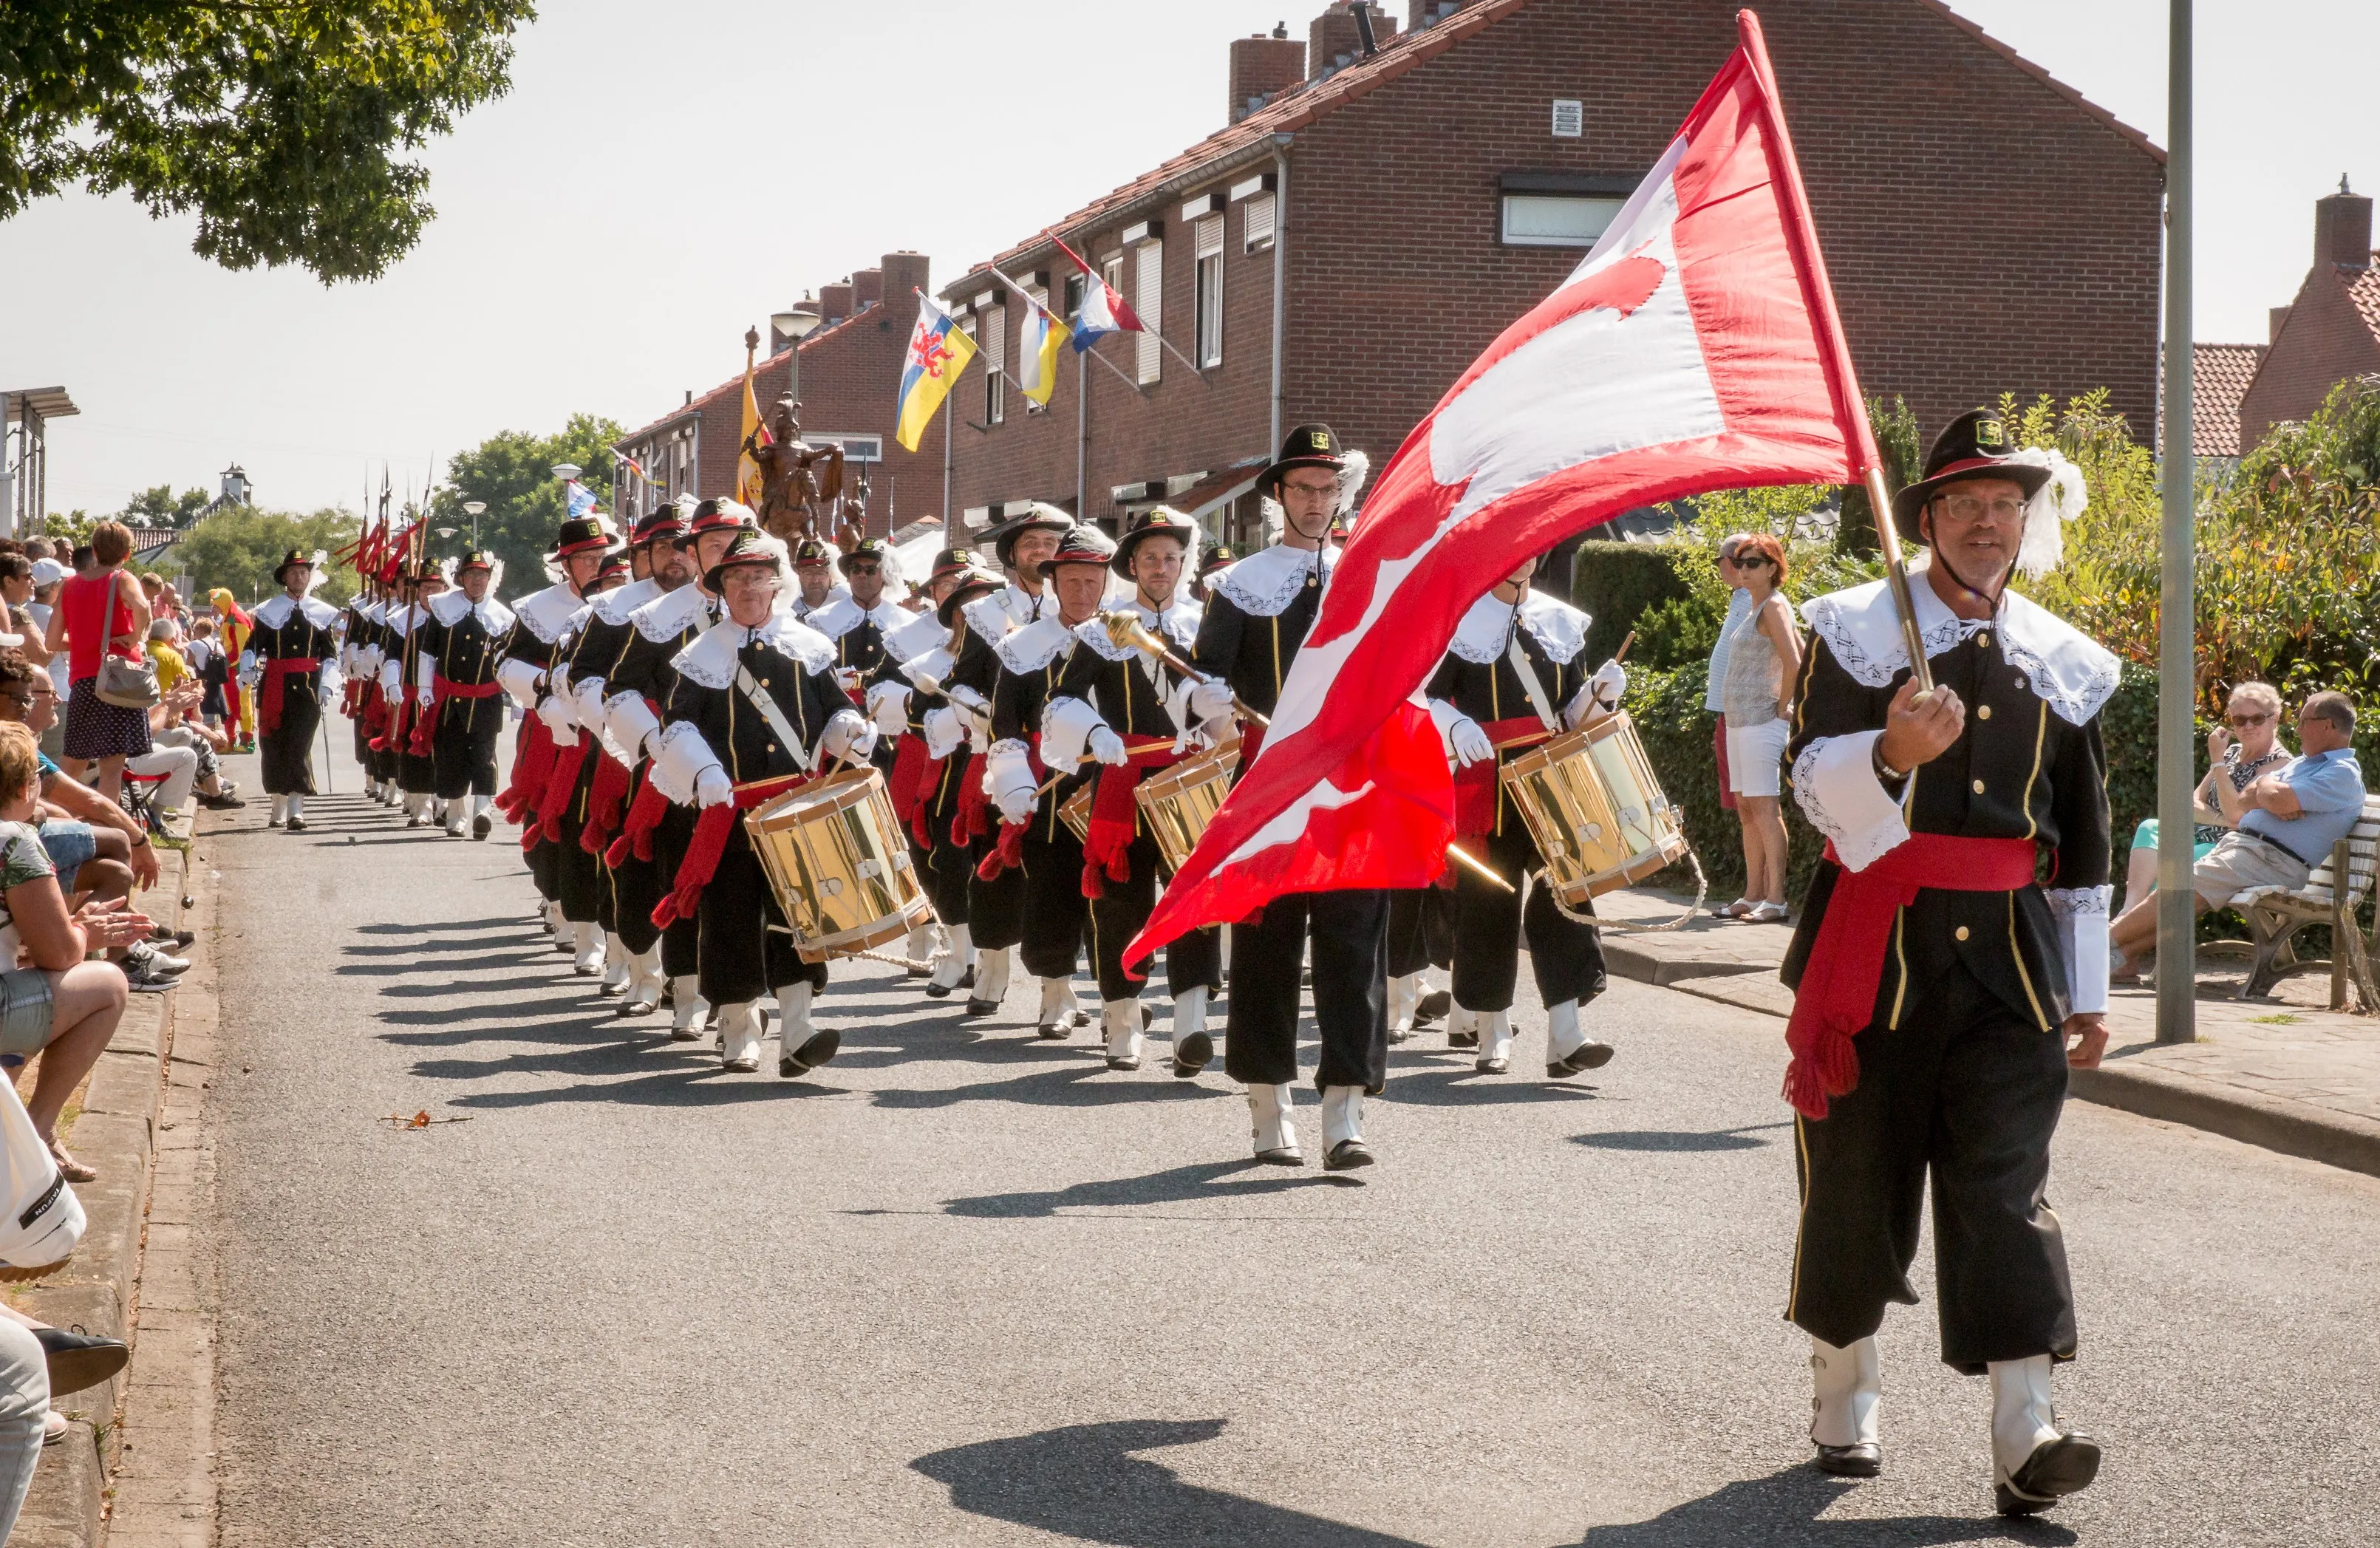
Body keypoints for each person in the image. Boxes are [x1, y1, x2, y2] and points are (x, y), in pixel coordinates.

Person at [1781, 409, 2114, 1514]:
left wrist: (2090, 989)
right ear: (1923, 518)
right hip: (1872, 952)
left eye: (2006, 505)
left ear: (2028, 520)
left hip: (2013, 966)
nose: (1987, 522)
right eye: (1966, 503)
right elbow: (1805, 780)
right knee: (1854, 1182)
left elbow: (2082, 839)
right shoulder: (1855, 631)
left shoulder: (2064, 661)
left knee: (2005, 1189)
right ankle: (1844, 1386)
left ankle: (2027, 1429)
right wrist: (1886, 750)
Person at [1191, 423, 1388, 1170]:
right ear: (1278, 495)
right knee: (1267, 948)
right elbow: (1202, 679)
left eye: (1326, 487)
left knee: (1352, 949)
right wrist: (1205, 695)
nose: (1314, 500)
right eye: (1301, 488)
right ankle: (1269, 1107)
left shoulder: (1368, 578)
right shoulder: (1238, 583)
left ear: (1342, 494)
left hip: (1351, 794)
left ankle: (1345, 1110)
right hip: (1270, 794)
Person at [649, 528, 874, 1073]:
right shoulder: (699, 657)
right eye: (736, 578)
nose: (748, 588)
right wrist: (702, 769)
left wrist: (851, 730)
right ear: (722, 588)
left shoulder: (811, 647)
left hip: (797, 805)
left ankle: (797, 1031)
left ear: (777, 584)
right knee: (730, 918)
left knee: (798, 917)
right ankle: (737, 1028)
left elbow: (837, 709)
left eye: (757, 577)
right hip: (730, 809)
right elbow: (674, 727)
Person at [1425, 551, 1623, 1077]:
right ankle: (1493, 1029)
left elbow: (1566, 712)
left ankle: (1566, 1035)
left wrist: (1598, 697)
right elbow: (1422, 697)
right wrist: (1454, 724)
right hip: (1483, 779)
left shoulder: (1558, 619)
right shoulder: (1460, 622)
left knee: (1568, 892)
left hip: (1550, 774)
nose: (1523, 558)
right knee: (1489, 901)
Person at [1042, 509, 1225, 1071]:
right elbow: (1062, 700)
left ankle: (1191, 1024)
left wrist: (1218, 708)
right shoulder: (1103, 631)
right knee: (1121, 904)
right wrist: (1095, 730)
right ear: (1133, 566)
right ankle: (1122, 1018)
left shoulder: (1206, 623)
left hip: (1189, 776)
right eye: (1150, 558)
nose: (1161, 567)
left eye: (1170, 557)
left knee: (1194, 899)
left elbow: (1226, 709)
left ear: (1181, 564)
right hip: (1123, 776)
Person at [599, 499, 742, 1032]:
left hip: (750, 777)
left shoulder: (767, 607)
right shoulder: (658, 618)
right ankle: (687, 995)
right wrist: (656, 745)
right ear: (694, 553)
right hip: (676, 773)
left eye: (733, 544)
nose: (726, 557)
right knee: (682, 883)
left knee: (743, 894)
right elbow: (619, 687)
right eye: (713, 546)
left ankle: (741, 1006)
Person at [2107, 691, 2365, 978]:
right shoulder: (2303, 765)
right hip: (2250, 850)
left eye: (2304, 721)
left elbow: (2270, 799)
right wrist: (2269, 789)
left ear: (2327, 725)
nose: (2298, 728)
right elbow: (2245, 799)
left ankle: (2091, 947)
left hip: (2271, 858)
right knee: (2190, 898)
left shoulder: (2342, 774)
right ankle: (2120, 958)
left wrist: (2269, 794)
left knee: (2181, 886)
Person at [0, 723, 150, 1182]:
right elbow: (60, 955)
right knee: (108, 984)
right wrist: (86, 931)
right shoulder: (14, 839)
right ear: (29, 786)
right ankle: (36, 1134)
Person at [982, 526, 1114, 1043]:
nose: (1083, 591)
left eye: (1092, 581)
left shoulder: (1123, 634)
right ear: (1054, 582)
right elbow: (1004, 721)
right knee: (1053, 892)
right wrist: (1011, 782)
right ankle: (1055, 994)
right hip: (1047, 782)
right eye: (1073, 580)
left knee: (1116, 898)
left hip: (1114, 778)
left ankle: (1116, 1002)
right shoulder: (1022, 645)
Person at [940, 506, 1071, 1017]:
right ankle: (992, 972)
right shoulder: (985, 612)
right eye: (1031, 543)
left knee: (1057, 875)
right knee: (994, 870)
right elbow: (963, 680)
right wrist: (973, 709)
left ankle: (1056, 992)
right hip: (1004, 752)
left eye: (1049, 542)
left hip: (1065, 758)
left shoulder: (1083, 603)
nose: (1041, 551)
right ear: (1012, 554)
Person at [875, 557, 1000, 999]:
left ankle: (990, 961)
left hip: (1003, 766)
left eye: (988, 605)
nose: (977, 616)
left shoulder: (1019, 654)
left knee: (995, 865)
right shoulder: (925, 662)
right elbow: (894, 706)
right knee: (941, 860)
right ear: (955, 615)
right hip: (944, 768)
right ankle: (956, 951)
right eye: (968, 608)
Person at [495, 516, 613, 963]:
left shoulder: (622, 602)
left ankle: (599, 934)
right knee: (549, 829)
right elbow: (504, 667)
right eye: (586, 558)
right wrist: (546, 686)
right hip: (550, 733)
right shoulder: (536, 609)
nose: (596, 565)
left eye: (601, 556)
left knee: (599, 825)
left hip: (608, 735)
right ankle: (560, 904)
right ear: (566, 564)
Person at [2119, 681, 2290, 913]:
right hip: (2200, 835)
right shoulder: (2231, 752)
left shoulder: (2279, 763)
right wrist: (2221, 820)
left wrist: (2218, 762)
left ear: (2275, 719)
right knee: (2150, 828)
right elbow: (2189, 805)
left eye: (2257, 719)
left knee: (2170, 873)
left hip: (2231, 849)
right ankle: (2128, 911)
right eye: (2240, 720)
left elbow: (2237, 813)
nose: (2248, 726)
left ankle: (2130, 932)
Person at [1716, 533, 1803, 922]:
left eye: (1753, 563)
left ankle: (1777, 900)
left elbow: (1796, 661)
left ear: (1772, 568)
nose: (1743, 569)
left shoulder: (1773, 607)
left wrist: (1783, 706)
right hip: (1740, 722)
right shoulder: (1754, 608)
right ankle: (1752, 896)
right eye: (1740, 562)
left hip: (1761, 723)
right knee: (1747, 811)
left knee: (1767, 811)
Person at [50, 520, 154, 803]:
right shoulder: (123, 579)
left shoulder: (69, 585)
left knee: (72, 765)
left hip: (84, 683)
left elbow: (50, 643)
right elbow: (143, 607)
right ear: (128, 553)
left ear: (94, 550)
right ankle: (109, 831)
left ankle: (55, 818)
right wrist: (133, 638)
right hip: (118, 682)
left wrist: (87, 644)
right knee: (111, 769)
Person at [240, 548, 342, 831]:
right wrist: (247, 670)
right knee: (273, 747)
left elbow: (331, 655)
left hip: (307, 690)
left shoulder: (320, 613)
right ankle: (277, 806)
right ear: (285, 577)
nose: (299, 576)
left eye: (304, 572)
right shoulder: (268, 611)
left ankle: (297, 808)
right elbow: (252, 647)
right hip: (275, 686)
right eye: (294, 572)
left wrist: (328, 684)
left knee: (299, 747)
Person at [416, 551, 514, 839]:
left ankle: (483, 810)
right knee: (451, 757)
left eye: (482, 575)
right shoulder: (443, 608)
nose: (476, 580)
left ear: (489, 578)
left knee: (484, 755)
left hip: (486, 699)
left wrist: (518, 696)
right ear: (461, 579)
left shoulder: (502, 616)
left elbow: (509, 660)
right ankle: (456, 815)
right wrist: (424, 687)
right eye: (471, 575)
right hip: (450, 700)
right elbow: (428, 652)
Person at [1705, 535, 1753, 911]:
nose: (1718, 568)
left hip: (1749, 717)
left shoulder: (1760, 601)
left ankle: (1767, 894)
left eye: (1719, 560)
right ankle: (1754, 891)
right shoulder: (1741, 599)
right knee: (1745, 806)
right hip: (1730, 715)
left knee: (1758, 808)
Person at [209, 589, 256, 751]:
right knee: (229, 705)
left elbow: (243, 648)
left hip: (239, 669)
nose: (215, 608)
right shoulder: (229, 617)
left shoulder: (238, 618)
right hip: (229, 668)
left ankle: (247, 742)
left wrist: (231, 663)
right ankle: (230, 741)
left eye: (217, 604)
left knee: (242, 704)